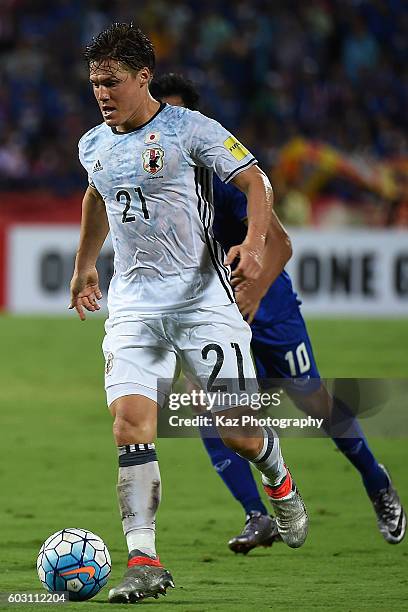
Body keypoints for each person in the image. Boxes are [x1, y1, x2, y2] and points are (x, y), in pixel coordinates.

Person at [69, 23, 308, 604]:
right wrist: (85, 266)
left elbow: (255, 179)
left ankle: (277, 476)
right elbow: (97, 195)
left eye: (112, 82)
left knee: (239, 434)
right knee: (130, 422)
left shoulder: (190, 129)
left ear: (143, 78)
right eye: (95, 82)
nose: (101, 93)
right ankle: (145, 559)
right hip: (133, 306)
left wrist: (252, 245)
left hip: (202, 300)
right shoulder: (92, 144)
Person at [149, 72, 406, 553]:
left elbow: (282, 246)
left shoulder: (224, 181)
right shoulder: (155, 191)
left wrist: (254, 297)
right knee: (203, 409)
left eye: (173, 114)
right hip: (213, 315)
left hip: (270, 311)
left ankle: (377, 482)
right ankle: (257, 515)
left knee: (314, 402)